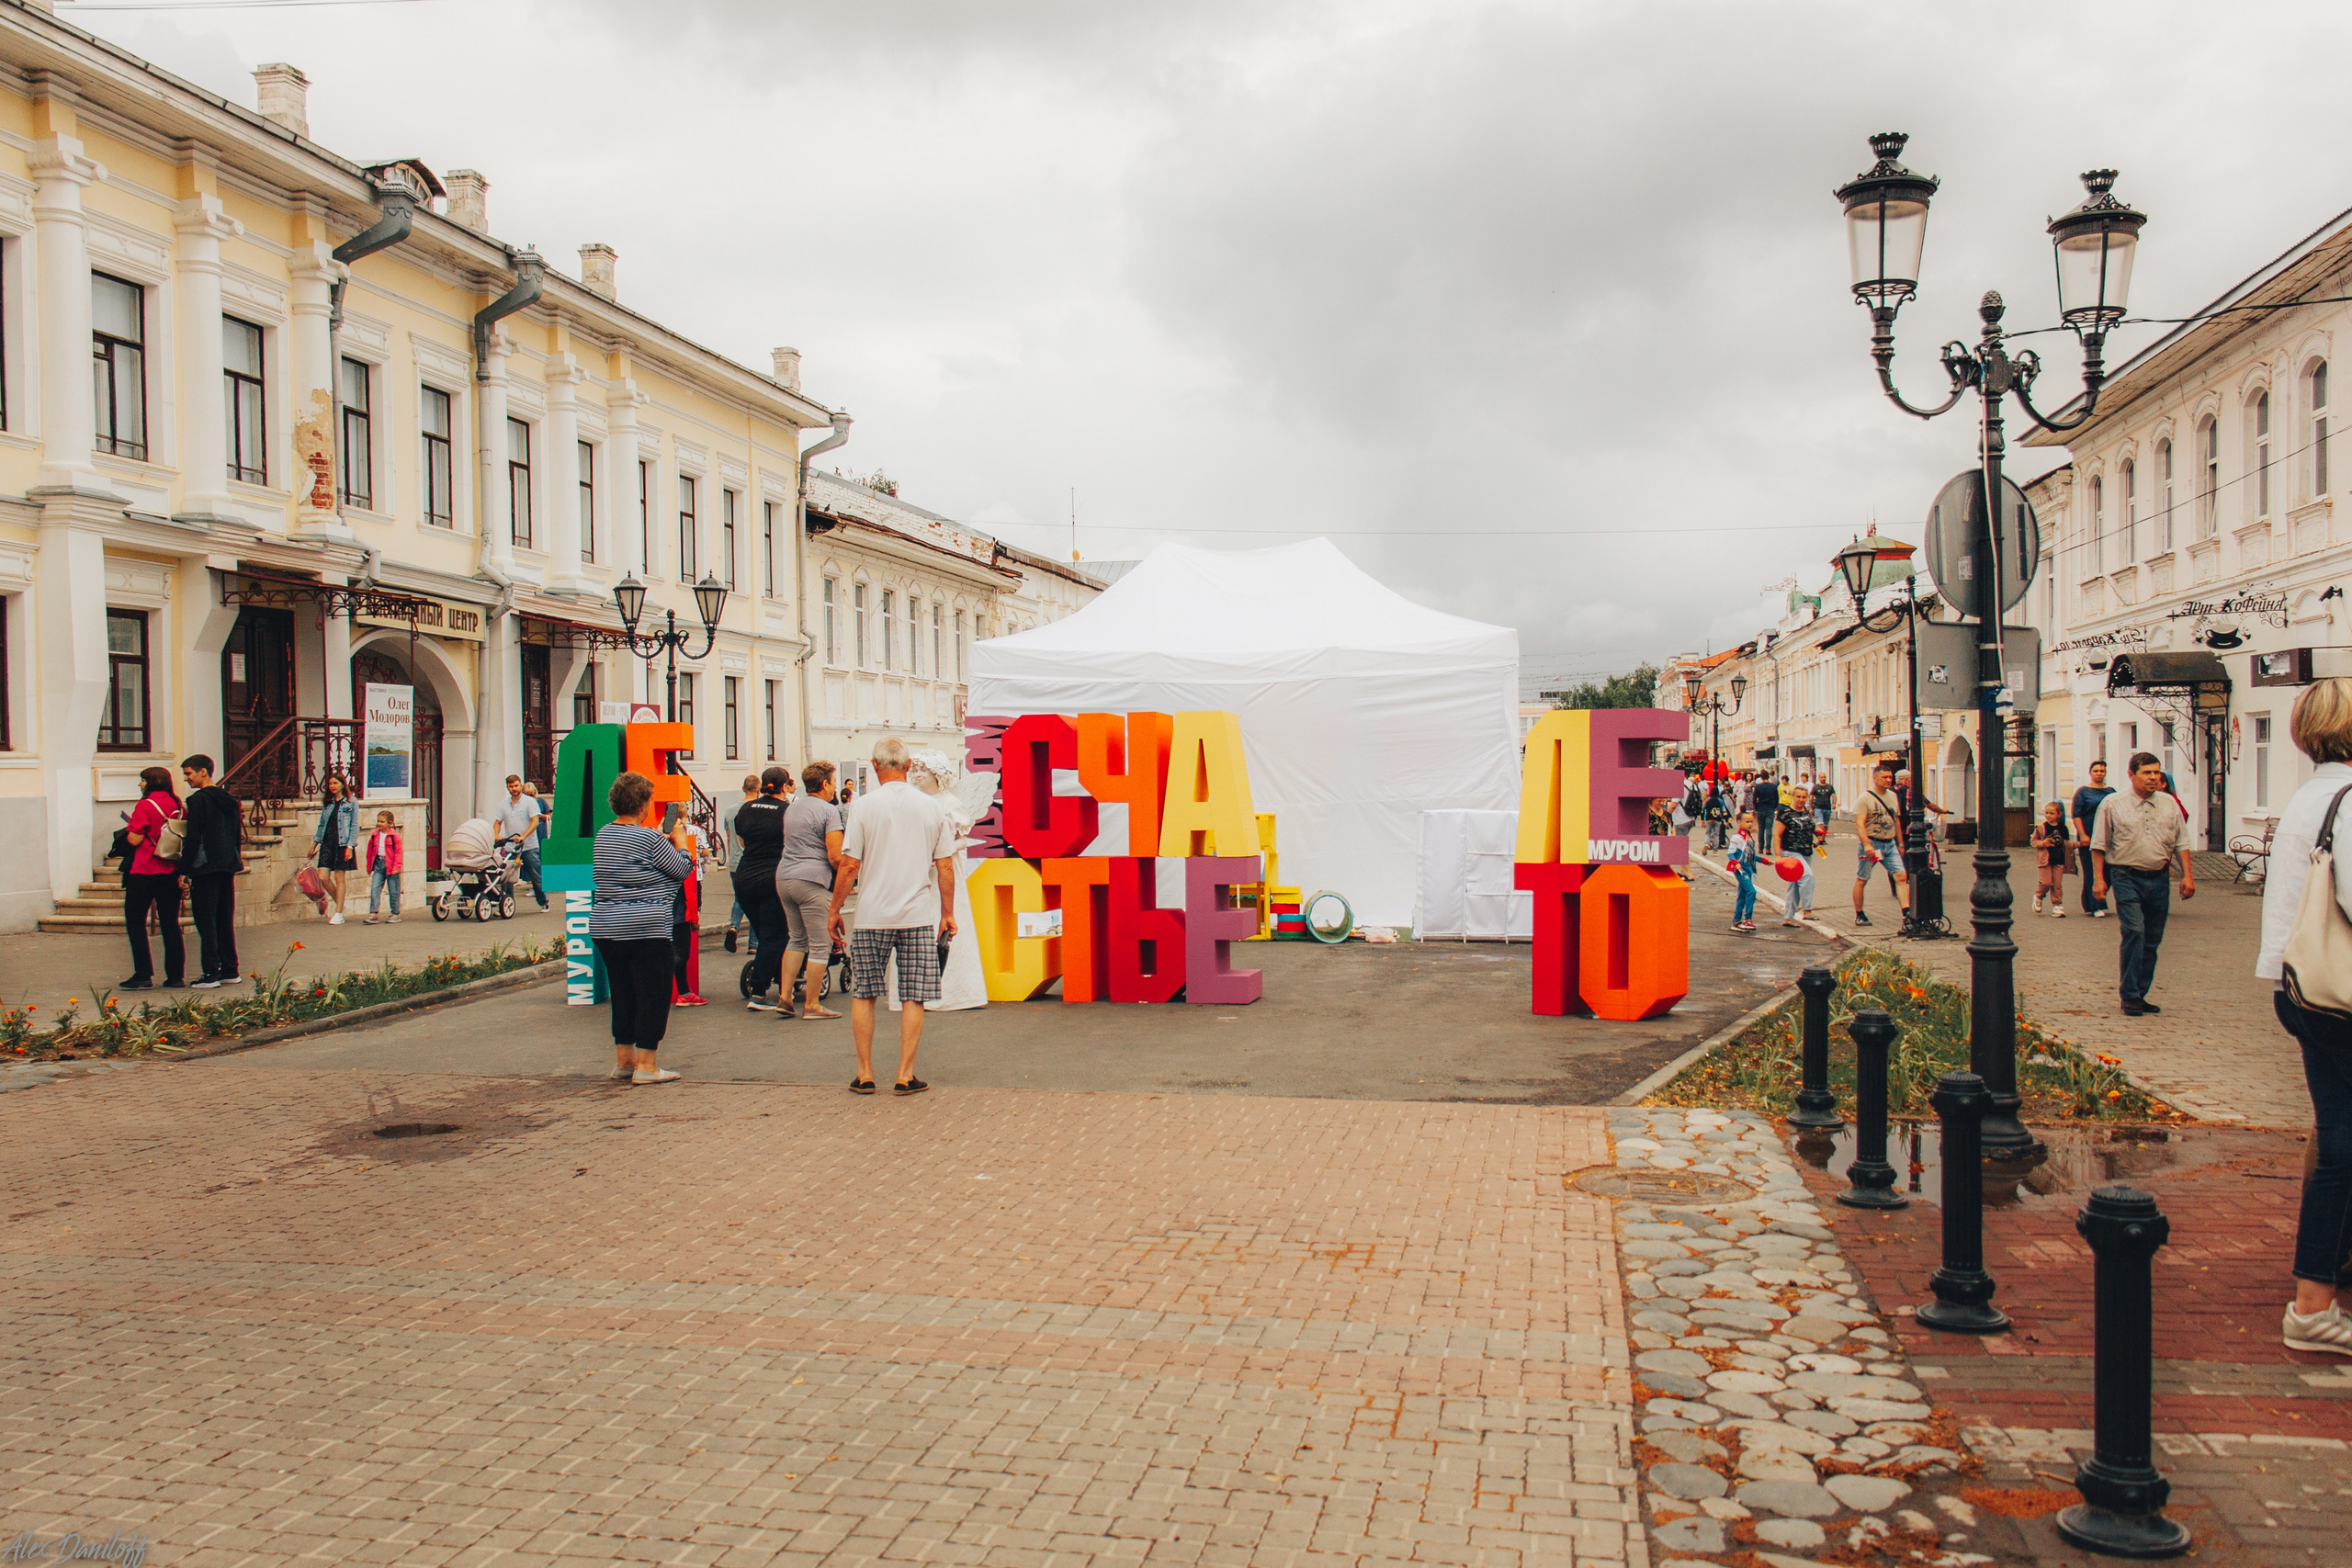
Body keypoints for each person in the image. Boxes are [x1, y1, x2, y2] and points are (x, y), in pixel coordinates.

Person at [2258, 680, 2352, 1355]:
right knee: (2341, 1146)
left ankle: (2323, 1280)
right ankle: (2313, 1304)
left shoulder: (2309, 796)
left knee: (2338, 1136)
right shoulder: (2348, 799)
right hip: (2340, 993)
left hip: (2303, 987)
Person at [827, 738, 958, 1095]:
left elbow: (849, 864)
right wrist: (947, 913)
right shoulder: (931, 808)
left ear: (874, 766)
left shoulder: (863, 807)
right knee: (914, 995)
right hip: (917, 914)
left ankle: (865, 1073)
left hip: (872, 915)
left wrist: (835, 909)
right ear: (908, 764)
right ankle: (905, 1074)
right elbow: (945, 866)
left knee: (864, 994)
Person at [590, 770, 696, 1086]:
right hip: (646, 928)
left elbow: (631, 865)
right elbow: (681, 869)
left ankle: (625, 1061)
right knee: (653, 995)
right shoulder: (650, 839)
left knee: (623, 993)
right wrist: (681, 844)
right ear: (643, 805)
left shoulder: (604, 834)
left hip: (606, 927)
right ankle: (647, 1066)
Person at [2091, 750, 2196, 1016]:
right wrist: (2099, 880)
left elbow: (2181, 842)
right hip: (2126, 876)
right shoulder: (2113, 804)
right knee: (2135, 931)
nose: (2153, 777)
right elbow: (2099, 845)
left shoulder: (2169, 804)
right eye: (2146, 773)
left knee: (2152, 938)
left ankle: (2140, 992)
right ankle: (2129, 995)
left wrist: (2187, 875)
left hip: (2159, 878)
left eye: (2156, 772)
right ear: (2131, 775)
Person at [775, 760, 846, 1021]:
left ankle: (785, 997)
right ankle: (813, 1004)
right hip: (812, 880)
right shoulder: (829, 811)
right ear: (825, 784)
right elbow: (835, 856)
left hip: (784, 877)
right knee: (820, 944)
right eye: (834, 782)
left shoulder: (792, 808)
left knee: (796, 939)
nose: (835, 787)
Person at [119, 764, 185, 990]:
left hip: (144, 869)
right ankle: (175, 976)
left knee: (136, 922)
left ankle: (143, 974)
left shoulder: (145, 805)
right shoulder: (178, 806)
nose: (140, 784)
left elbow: (135, 839)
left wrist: (128, 833)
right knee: (170, 924)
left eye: (143, 780)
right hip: (170, 869)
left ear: (151, 782)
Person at [733, 768, 794, 1011]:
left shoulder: (746, 809)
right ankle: (759, 992)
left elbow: (742, 840)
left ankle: (775, 974)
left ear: (762, 786)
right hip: (772, 877)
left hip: (744, 877)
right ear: (785, 787)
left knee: (764, 933)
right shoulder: (787, 811)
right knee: (775, 935)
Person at [179, 755, 242, 988]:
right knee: (224, 918)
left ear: (203, 772)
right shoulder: (229, 799)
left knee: (206, 920)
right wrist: (234, 858)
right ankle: (230, 969)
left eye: (189, 773)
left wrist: (184, 869)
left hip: (205, 867)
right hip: (227, 864)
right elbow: (236, 835)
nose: (187, 778)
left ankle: (211, 972)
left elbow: (194, 837)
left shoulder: (198, 800)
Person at [1850, 761, 1906, 927]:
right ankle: (1859, 914)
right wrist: (1867, 845)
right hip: (1872, 844)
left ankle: (1907, 914)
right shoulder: (1865, 798)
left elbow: (1896, 821)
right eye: (1885, 777)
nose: (1888, 780)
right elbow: (1860, 824)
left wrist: (1900, 843)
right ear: (1875, 778)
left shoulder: (1892, 796)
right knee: (1862, 879)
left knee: (1901, 876)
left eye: (1890, 777)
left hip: (1889, 844)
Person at [303, 773, 358, 925]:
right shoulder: (328, 803)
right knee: (322, 876)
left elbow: (354, 826)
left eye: (335, 783)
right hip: (327, 842)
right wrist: (314, 845)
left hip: (343, 844)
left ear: (342, 784)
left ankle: (339, 913)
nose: (332, 786)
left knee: (339, 877)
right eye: (330, 784)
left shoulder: (351, 802)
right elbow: (322, 824)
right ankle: (341, 903)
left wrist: (350, 846)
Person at [495, 773, 549, 911]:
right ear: (507, 787)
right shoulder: (503, 804)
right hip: (510, 846)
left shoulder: (529, 802)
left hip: (529, 846)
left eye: (516, 786)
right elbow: (498, 822)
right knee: (507, 876)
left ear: (520, 785)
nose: (514, 789)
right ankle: (507, 905)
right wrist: (496, 835)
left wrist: (523, 836)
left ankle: (543, 901)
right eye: (511, 786)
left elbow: (535, 821)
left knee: (535, 875)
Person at [2072, 760, 2118, 917]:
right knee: (2091, 869)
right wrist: (2083, 834)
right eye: (2096, 771)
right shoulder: (2083, 792)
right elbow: (2076, 815)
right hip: (2089, 831)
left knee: (2108, 870)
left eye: (2102, 771)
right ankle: (2097, 905)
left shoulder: (2111, 792)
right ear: (2090, 773)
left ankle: (2090, 901)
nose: (2099, 774)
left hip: (2106, 831)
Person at [721, 773, 759, 953]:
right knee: (756, 902)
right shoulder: (756, 809)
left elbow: (729, 837)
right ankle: (753, 944)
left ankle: (734, 926)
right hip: (752, 860)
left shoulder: (730, 810)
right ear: (758, 790)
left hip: (735, 861)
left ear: (744, 788)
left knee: (739, 897)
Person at [1776, 798, 1817, 926]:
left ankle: (1788, 918)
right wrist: (1778, 855)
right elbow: (1776, 835)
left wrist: (1816, 834)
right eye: (1798, 796)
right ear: (1793, 797)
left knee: (1794, 886)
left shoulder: (1805, 812)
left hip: (1806, 852)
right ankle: (1807, 911)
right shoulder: (1785, 812)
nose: (1801, 800)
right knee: (1808, 877)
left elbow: (1807, 828)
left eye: (1804, 797)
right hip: (1791, 852)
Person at [364, 810, 405, 924]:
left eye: (382, 822)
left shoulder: (394, 836)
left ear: (389, 823)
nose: (379, 824)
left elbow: (398, 852)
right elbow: (370, 852)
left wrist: (397, 866)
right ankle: (373, 913)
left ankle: (395, 913)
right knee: (375, 889)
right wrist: (369, 866)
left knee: (394, 891)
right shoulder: (375, 835)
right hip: (379, 864)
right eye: (378, 821)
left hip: (391, 866)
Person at [2031, 802, 2069, 918]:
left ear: (2059, 814)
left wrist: (2079, 844)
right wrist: (2043, 843)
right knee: (2046, 882)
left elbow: (2067, 843)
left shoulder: (2063, 828)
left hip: (2059, 859)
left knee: (2057, 884)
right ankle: (2038, 896)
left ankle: (2057, 905)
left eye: (2052, 813)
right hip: (2045, 860)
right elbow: (2033, 842)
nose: (2048, 815)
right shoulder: (2041, 828)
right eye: (2046, 813)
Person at [1727, 811, 1759, 932]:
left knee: (1742, 894)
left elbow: (1751, 855)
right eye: (1747, 822)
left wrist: (1765, 861)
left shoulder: (1750, 837)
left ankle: (1736, 921)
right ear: (1739, 822)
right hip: (1740, 869)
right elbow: (1730, 853)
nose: (1750, 824)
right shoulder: (1737, 837)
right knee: (1751, 891)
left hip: (1748, 868)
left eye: (1751, 821)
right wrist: (1736, 863)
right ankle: (1748, 919)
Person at [1751, 772, 1781, 857]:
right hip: (1770, 809)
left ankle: (1760, 847)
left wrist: (1756, 807)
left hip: (1760, 808)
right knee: (1769, 829)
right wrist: (1774, 807)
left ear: (1761, 778)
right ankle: (1768, 848)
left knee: (1761, 829)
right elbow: (1777, 798)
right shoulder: (1773, 787)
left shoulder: (1758, 787)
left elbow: (1754, 799)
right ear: (1768, 777)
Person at [1810, 775, 1836, 851]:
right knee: (1820, 822)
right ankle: (1819, 839)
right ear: (1819, 778)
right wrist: (1811, 808)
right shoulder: (1816, 787)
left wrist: (1834, 803)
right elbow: (1811, 798)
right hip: (1818, 807)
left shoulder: (1829, 787)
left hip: (1827, 807)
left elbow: (1834, 795)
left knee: (1825, 824)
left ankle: (1823, 838)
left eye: (1824, 777)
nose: (1823, 778)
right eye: (1821, 777)